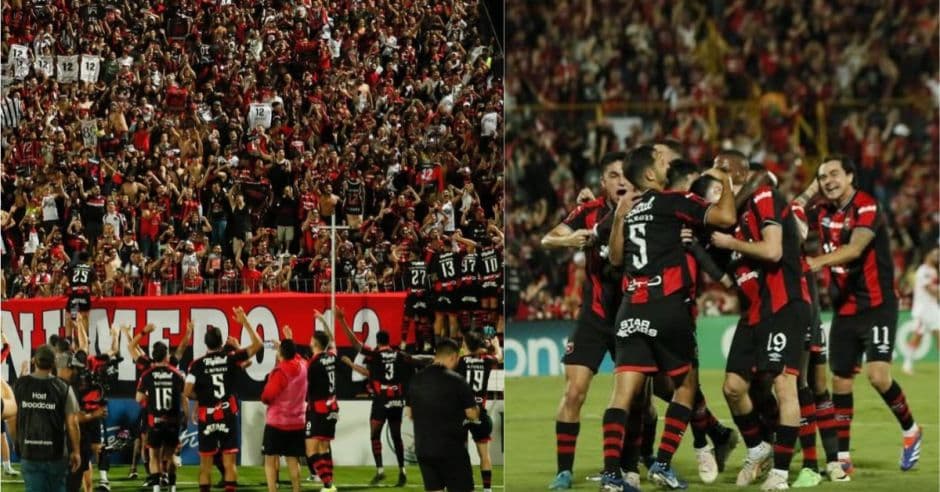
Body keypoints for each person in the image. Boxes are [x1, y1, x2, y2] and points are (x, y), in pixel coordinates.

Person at [600, 144, 736, 491]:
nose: (668, 164)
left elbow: (615, 260)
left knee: (622, 395)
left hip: (630, 308)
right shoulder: (674, 200)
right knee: (686, 387)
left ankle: (612, 475)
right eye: (662, 162)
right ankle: (661, 464)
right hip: (667, 306)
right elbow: (725, 219)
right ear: (649, 174)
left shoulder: (627, 210)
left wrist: (617, 218)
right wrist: (724, 179)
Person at [803, 156, 922, 473]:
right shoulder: (822, 211)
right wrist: (810, 188)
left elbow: (856, 249)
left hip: (877, 304)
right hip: (845, 308)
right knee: (840, 381)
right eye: (822, 177)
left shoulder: (867, 206)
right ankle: (842, 458)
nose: (828, 181)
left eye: (834, 174)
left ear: (851, 176)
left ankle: (911, 431)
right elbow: (790, 216)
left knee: (878, 376)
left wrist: (816, 262)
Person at [709, 149, 811, 490]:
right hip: (753, 314)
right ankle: (757, 448)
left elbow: (772, 251)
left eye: (721, 171)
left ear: (738, 173)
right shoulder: (728, 218)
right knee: (733, 388)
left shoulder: (764, 195)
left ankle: (781, 473)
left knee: (785, 385)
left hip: (783, 305)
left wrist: (729, 241)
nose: (715, 178)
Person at [539, 152, 630, 490]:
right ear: (602, 182)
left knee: (639, 400)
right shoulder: (588, 212)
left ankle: (642, 460)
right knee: (574, 391)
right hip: (593, 316)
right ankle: (564, 471)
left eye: (624, 175)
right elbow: (548, 238)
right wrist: (569, 239)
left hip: (631, 316)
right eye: (612, 175)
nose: (620, 181)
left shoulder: (642, 211)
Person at [338, 308, 423, 487]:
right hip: (397, 400)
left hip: (381, 401)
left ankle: (380, 472)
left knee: (375, 435)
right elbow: (416, 360)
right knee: (397, 436)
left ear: (377, 342)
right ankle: (402, 471)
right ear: (388, 342)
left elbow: (356, 345)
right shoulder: (399, 355)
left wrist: (343, 321)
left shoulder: (375, 354)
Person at [184, 307, 264, 492]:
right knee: (229, 463)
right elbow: (258, 344)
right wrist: (245, 322)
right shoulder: (231, 358)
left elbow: (187, 392)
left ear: (206, 343)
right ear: (221, 342)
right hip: (228, 412)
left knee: (205, 465)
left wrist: (203, 397)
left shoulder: (196, 365)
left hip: (208, 416)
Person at [406, 339, 479, 492]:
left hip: (424, 449)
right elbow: (472, 414)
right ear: (453, 357)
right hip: (451, 449)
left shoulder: (416, 379)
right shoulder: (457, 380)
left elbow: (410, 413)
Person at [11, 344, 82, 492]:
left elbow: (11, 418)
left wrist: (16, 441)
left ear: (34, 361)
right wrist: (76, 451)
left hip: (29, 453)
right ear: (53, 363)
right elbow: (72, 423)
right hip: (56, 455)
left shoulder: (20, 385)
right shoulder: (63, 387)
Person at [260, 325, 307, 492]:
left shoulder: (280, 372)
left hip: (277, 423)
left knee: (270, 460)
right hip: (297, 422)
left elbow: (266, 397)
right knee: (293, 460)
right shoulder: (303, 366)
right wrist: (287, 341)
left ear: (280, 354)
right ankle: (297, 489)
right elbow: (297, 357)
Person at [135, 342, 186, 492]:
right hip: (172, 421)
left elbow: (138, 398)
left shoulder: (147, 375)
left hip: (155, 421)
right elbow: (184, 398)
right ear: (166, 356)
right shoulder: (177, 374)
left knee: (154, 456)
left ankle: (156, 488)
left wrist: (150, 396)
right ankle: (172, 487)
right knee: (170, 456)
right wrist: (186, 417)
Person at [456, 332, 502, 492]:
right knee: (484, 455)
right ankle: (487, 489)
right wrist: (495, 344)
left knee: (460, 455)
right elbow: (499, 357)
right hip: (479, 412)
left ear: (467, 345)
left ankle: (466, 486)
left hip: (461, 412)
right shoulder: (487, 361)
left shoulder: (460, 361)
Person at [304, 311, 339, 492]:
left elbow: (305, 385)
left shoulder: (313, 364)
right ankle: (329, 483)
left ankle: (328, 483)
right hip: (332, 407)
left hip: (318, 409)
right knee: (324, 448)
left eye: (311, 340)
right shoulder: (331, 356)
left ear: (315, 344)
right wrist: (323, 320)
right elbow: (331, 339)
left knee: (311, 450)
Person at [903, 247, 939, 374]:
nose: (937, 256)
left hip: (933, 307)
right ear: (927, 255)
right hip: (922, 309)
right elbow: (930, 289)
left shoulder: (934, 270)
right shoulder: (923, 271)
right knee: (918, 335)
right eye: (934, 254)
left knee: (939, 335)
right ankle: (907, 364)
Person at [66, 252, 95, 325]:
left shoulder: (72, 267)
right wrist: (99, 294)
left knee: (72, 317)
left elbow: (63, 282)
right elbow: (98, 287)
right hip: (85, 295)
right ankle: (84, 335)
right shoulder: (90, 268)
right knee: (84, 317)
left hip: (74, 296)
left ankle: (70, 336)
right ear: (88, 259)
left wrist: (71, 286)